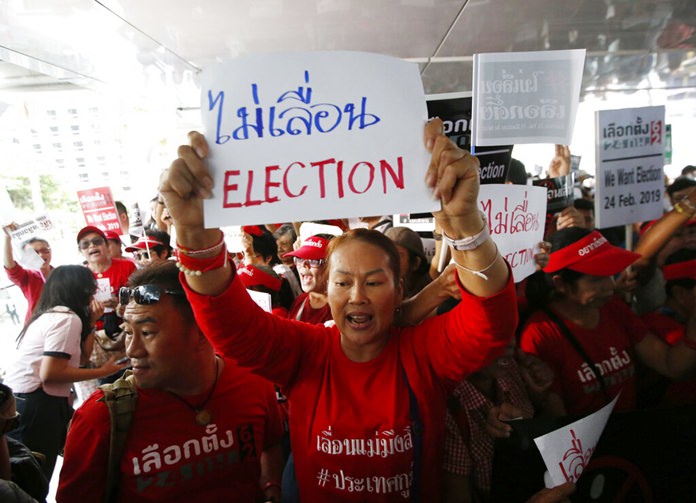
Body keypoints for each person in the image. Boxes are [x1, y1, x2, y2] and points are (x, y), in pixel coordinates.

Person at [158, 118, 516, 500]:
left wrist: (467, 226)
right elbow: (232, 328)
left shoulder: (424, 354)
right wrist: (195, 238)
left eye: (375, 282)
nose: (357, 296)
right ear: (327, 291)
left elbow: (490, 323)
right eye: (343, 283)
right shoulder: (305, 352)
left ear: (399, 291)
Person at [57, 261, 285, 502]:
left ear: (200, 331)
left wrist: (271, 489)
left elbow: (270, 445)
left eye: (147, 333)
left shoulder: (253, 383)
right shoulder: (99, 418)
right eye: (129, 332)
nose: (132, 350)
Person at [520, 227, 696, 416]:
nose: (610, 285)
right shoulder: (540, 335)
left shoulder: (613, 308)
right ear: (561, 284)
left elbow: (671, 365)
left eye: (610, 275)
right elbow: (557, 421)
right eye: (597, 279)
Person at [3, 265, 127, 480]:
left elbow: (82, 359)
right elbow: (50, 373)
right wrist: (103, 371)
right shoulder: (66, 319)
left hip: (37, 402)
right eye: (91, 289)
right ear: (81, 290)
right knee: (33, 476)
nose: (94, 294)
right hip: (36, 405)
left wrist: (90, 322)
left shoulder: (59, 316)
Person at [77, 225, 136, 339]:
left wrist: (120, 303)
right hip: (96, 333)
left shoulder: (127, 266)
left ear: (107, 245)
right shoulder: (78, 276)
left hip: (127, 328)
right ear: (80, 250)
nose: (92, 246)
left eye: (97, 241)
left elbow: (139, 297)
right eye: (85, 244)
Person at [3, 233, 54, 323]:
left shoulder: (62, 273)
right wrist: (7, 237)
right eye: (34, 253)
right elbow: (10, 266)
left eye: (44, 250)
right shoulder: (27, 277)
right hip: (37, 325)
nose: (41, 255)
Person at [283, 234, 334, 324]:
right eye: (299, 258)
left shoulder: (339, 309)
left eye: (314, 261)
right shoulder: (300, 301)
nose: (304, 265)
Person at [385, 226, 432, 299]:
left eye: (398, 255)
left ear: (415, 263)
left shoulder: (425, 288)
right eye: (385, 254)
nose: (389, 260)